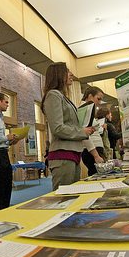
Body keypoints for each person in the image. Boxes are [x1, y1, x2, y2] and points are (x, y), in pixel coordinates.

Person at [40, 62, 94, 191]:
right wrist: (81, 132)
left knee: (72, 197)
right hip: (63, 155)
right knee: (63, 199)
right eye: (67, 71)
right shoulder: (53, 95)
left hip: (72, 154)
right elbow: (57, 128)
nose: (71, 74)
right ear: (59, 74)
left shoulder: (61, 96)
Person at [81, 86, 105, 176]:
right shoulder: (84, 109)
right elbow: (84, 135)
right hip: (91, 151)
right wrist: (96, 155)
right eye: (98, 99)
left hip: (94, 150)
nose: (99, 103)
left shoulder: (89, 110)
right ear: (90, 96)